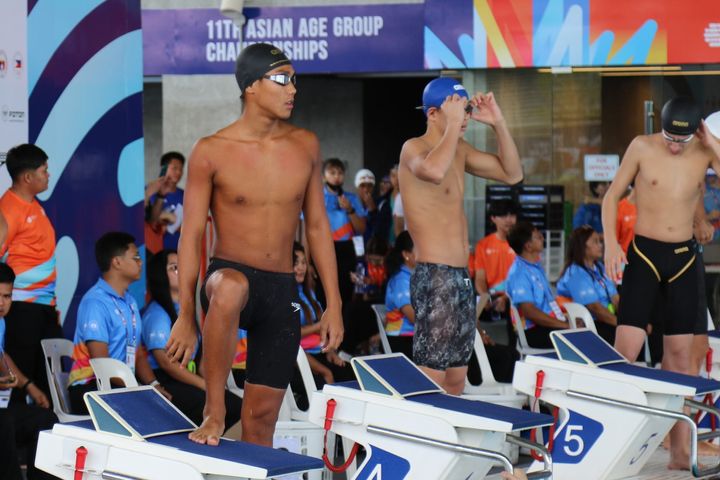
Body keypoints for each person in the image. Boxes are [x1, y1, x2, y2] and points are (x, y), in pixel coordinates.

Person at [165, 43, 343, 447]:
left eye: (295, 80)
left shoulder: (306, 147)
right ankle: (214, 410)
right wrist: (187, 312)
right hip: (228, 275)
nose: (292, 89)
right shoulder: (211, 151)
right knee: (231, 287)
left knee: (262, 422)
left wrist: (333, 303)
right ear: (250, 86)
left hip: (282, 291)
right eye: (281, 79)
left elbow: (316, 227)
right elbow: (191, 234)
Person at [602, 96, 720, 470]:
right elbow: (611, 196)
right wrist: (609, 245)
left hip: (684, 259)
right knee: (627, 352)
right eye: (669, 137)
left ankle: (679, 452)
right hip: (645, 256)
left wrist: (711, 142)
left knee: (682, 361)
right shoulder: (641, 145)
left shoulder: (704, 152)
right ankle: (610, 444)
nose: (672, 145)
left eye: (680, 141)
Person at [398, 77, 523, 394]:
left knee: (456, 376)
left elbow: (513, 173)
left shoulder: (460, 150)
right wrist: (454, 125)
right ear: (432, 114)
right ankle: (422, 443)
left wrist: (498, 123)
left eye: (467, 109)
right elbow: (433, 171)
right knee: (432, 376)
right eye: (457, 109)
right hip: (434, 275)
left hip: (461, 276)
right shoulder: (413, 148)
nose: (465, 116)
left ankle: (447, 444)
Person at [68, 232, 168, 414]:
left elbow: (137, 354)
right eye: (136, 257)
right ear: (117, 262)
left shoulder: (130, 301)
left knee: (168, 405)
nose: (141, 262)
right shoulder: (95, 302)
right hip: (91, 387)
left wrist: (154, 385)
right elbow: (102, 362)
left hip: (120, 385)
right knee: (150, 411)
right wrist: (138, 390)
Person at [142, 250, 242, 428]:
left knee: (234, 404)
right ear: (160, 275)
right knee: (232, 407)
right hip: (168, 382)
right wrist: (205, 385)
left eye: (182, 266)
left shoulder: (184, 310)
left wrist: (213, 386)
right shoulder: (157, 314)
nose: (181, 271)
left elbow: (202, 359)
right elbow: (166, 364)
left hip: (188, 378)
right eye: (174, 268)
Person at [0, 144, 62, 400]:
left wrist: (50, 303)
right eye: (44, 170)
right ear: (27, 177)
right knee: (20, 381)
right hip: (22, 307)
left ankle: (43, 435)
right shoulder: (8, 209)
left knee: (47, 383)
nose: (48, 175)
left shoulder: (34, 205)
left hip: (43, 306)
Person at [0, 262, 57, 480]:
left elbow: (2, 356)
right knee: (4, 424)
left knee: (45, 420)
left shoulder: (1, 322)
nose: (1, 303)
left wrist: (28, 385)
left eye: (7, 296)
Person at [292, 243, 353, 389]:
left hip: (319, 351)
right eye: (295, 263)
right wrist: (316, 327)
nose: (301, 268)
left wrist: (331, 352)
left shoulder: (308, 292)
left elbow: (323, 326)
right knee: (328, 378)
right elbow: (291, 335)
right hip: (298, 357)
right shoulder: (286, 295)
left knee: (350, 374)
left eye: (303, 263)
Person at [506, 222, 571, 348]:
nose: (542, 238)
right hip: (533, 331)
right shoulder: (520, 273)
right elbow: (529, 312)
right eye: (538, 236)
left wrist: (566, 320)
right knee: (577, 341)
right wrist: (564, 326)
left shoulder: (535, 267)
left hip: (547, 325)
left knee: (583, 331)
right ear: (528, 246)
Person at [557, 225, 618, 344]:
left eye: (600, 241)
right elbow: (595, 309)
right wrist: (621, 325)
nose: (600, 245)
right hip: (589, 326)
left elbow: (616, 298)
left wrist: (631, 321)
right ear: (582, 246)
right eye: (595, 241)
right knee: (630, 337)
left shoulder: (599, 268)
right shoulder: (575, 273)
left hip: (607, 320)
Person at [323, 158, 367, 308]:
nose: (336, 177)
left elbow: (361, 229)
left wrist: (350, 210)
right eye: (332, 172)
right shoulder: (317, 198)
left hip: (347, 250)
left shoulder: (352, 198)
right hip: (324, 248)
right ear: (324, 176)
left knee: (346, 294)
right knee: (324, 293)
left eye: (340, 173)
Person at [474, 199, 518, 343]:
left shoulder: (521, 244)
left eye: (512, 215)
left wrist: (506, 298)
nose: (508, 220)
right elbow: (479, 278)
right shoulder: (483, 245)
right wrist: (484, 296)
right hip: (491, 298)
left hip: (514, 298)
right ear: (493, 218)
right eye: (503, 216)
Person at [384, 231, 416, 359]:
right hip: (402, 340)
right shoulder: (401, 280)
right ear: (406, 254)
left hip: (413, 338)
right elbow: (413, 316)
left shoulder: (413, 276)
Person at [145, 151, 186, 252]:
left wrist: (174, 223)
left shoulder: (185, 195)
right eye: (174, 168)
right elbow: (148, 221)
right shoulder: (150, 190)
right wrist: (164, 216)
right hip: (153, 250)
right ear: (163, 168)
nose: (178, 172)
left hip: (178, 250)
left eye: (181, 169)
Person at [355, 168, 378, 242]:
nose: (366, 189)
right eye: (362, 186)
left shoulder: (380, 204)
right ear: (357, 188)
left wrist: (373, 211)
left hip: (371, 246)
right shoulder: (350, 204)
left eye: (369, 186)